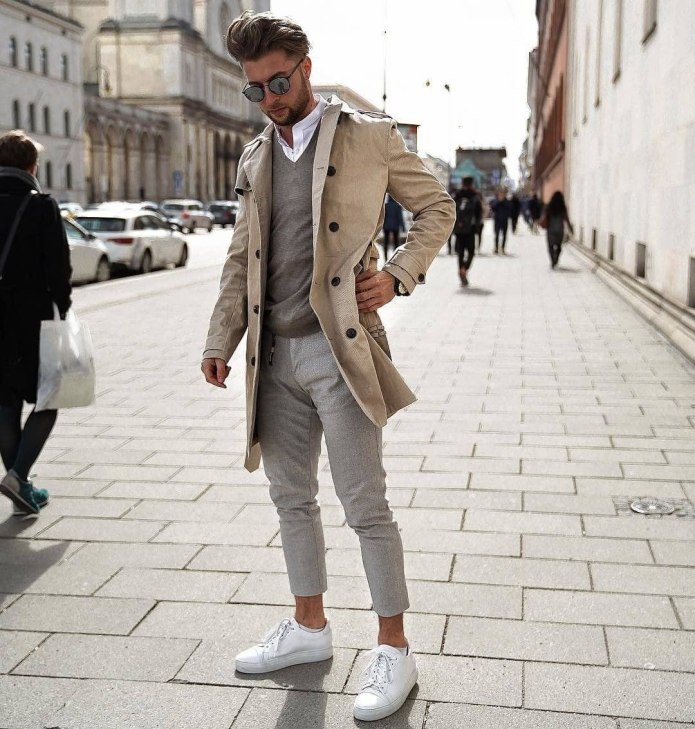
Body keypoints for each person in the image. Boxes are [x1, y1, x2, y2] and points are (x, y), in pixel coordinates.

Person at [200, 11, 454, 723]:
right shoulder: (255, 156)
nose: (269, 100)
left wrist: (398, 274)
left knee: (364, 503)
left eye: (277, 83)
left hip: (340, 348)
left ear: (305, 68)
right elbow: (240, 256)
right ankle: (308, 627)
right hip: (272, 356)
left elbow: (436, 207)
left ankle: (394, 648)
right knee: (291, 498)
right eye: (254, 89)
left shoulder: (369, 137)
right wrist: (219, 339)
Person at [0, 130, 71, 515]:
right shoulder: (40, 206)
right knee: (50, 396)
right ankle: (19, 477)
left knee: (4, 402)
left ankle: (21, 488)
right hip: (32, 321)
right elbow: (58, 269)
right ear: (32, 166)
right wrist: (64, 309)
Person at [452, 176, 482, 286]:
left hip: (459, 230)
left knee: (460, 253)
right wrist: (477, 227)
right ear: (471, 183)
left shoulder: (457, 194)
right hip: (470, 230)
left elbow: (451, 209)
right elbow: (479, 213)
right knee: (471, 252)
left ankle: (460, 270)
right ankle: (464, 268)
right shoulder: (475, 195)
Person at [543, 190, 574, 268]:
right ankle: (556, 258)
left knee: (550, 246)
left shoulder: (549, 206)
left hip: (550, 230)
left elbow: (545, 216)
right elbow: (566, 219)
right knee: (559, 246)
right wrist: (570, 228)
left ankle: (552, 260)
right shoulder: (562, 207)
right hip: (560, 230)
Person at [382, 194, 404, 259]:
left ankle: (385, 258)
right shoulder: (397, 206)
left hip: (386, 226)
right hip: (395, 226)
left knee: (386, 242)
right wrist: (403, 227)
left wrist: (381, 226)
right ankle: (395, 258)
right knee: (396, 243)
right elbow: (400, 217)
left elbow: (383, 217)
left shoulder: (386, 206)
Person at [490, 189, 511, 254]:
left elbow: (510, 209)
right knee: (497, 235)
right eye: (500, 194)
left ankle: (503, 248)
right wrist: (499, 202)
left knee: (504, 235)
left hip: (505, 221)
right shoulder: (495, 201)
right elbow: (493, 208)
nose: (501, 195)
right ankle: (496, 248)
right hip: (497, 221)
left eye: (503, 194)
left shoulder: (507, 202)